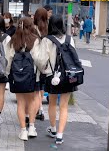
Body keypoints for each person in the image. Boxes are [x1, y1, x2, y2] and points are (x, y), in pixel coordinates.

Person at [5, 17, 47, 141]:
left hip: (17, 76)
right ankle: (32, 128)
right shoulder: (35, 40)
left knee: (21, 103)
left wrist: (7, 74)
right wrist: (43, 69)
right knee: (33, 100)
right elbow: (38, 59)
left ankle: (23, 131)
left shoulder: (13, 40)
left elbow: (8, 59)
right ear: (31, 26)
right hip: (32, 76)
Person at [41, 15, 78, 145]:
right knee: (64, 106)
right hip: (69, 76)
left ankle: (53, 129)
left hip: (52, 76)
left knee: (52, 103)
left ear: (50, 24)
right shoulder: (70, 39)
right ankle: (60, 135)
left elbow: (42, 60)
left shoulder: (47, 40)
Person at [33, 7, 49, 121]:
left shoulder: (32, 29)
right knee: (42, 87)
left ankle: (38, 109)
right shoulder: (48, 29)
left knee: (35, 90)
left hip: (35, 63)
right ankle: (40, 108)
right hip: (45, 63)